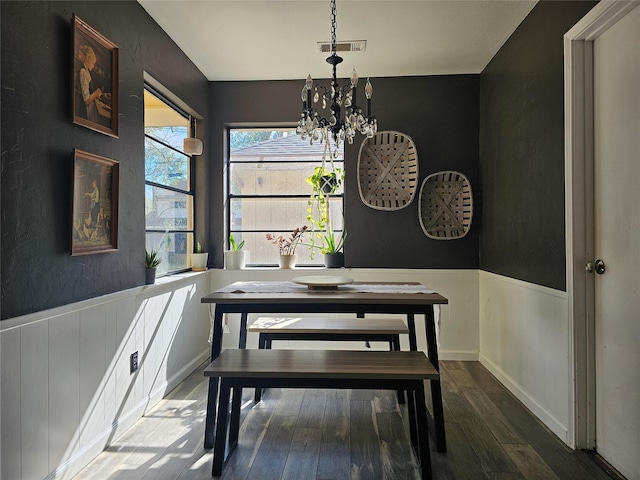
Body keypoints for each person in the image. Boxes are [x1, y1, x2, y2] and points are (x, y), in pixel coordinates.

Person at [77, 45, 102, 123]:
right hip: (85, 111)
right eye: (92, 63)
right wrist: (95, 94)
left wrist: (95, 92)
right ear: (87, 60)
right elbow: (86, 100)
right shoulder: (83, 72)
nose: (93, 66)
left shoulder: (87, 72)